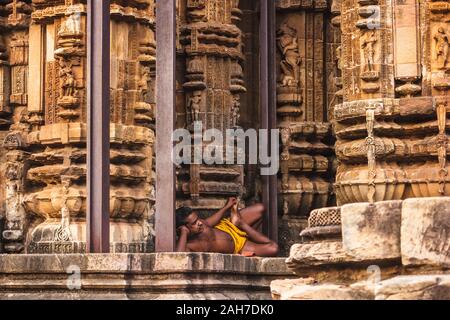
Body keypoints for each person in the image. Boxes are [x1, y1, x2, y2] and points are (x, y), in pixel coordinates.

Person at [175, 198, 279, 257]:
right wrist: (183, 232)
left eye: (197, 219)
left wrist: (226, 207)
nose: (199, 223)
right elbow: (178, 257)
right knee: (273, 248)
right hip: (239, 247)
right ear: (185, 228)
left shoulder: (200, 223)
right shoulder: (189, 246)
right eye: (194, 223)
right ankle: (241, 224)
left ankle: (239, 223)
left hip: (229, 226)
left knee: (261, 208)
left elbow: (210, 221)